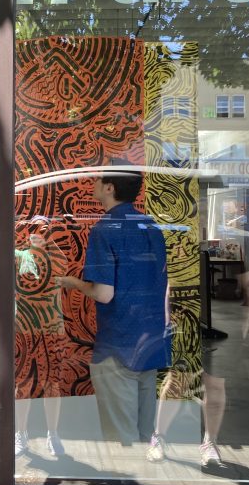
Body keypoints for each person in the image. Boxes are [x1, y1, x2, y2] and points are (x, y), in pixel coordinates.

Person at [56, 161, 178, 459]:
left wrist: (73, 282)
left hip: (118, 346)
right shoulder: (151, 226)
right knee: (144, 437)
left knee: (122, 445)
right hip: (149, 343)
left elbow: (104, 294)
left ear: (110, 188)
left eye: (98, 180)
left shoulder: (105, 229)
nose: (93, 185)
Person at [14, 216, 69, 458]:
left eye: (41, 229)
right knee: (23, 383)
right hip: (24, 328)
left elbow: (59, 269)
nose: (35, 233)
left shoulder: (57, 258)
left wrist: (47, 243)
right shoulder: (21, 255)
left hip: (51, 328)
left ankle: (53, 433)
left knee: (52, 383)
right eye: (32, 229)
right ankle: (20, 433)